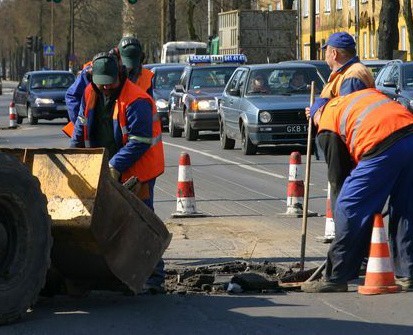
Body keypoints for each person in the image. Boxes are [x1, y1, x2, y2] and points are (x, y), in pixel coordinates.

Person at [70, 52, 166, 293]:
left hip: (138, 169)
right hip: (105, 165)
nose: (105, 87)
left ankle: (154, 278)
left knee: (141, 220)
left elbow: (140, 140)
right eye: (100, 82)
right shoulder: (91, 93)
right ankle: (114, 274)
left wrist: (114, 166)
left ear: (120, 77)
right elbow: (81, 128)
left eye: (109, 83)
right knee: (105, 220)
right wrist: (73, 157)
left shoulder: (136, 100)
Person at [302, 88, 413, 293]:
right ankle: (408, 274)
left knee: (348, 206)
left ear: (317, 115)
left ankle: (336, 277)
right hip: (410, 134)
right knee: (406, 209)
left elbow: (339, 177)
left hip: (382, 143)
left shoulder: (326, 121)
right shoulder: (357, 98)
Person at [64, 36, 153, 137]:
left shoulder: (146, 77)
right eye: (126, 63)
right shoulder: (95, 70)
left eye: (133, 64)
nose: (130, 68)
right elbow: (72, 96)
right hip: (96, 132)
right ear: (117, 55)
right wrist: (83, 125)